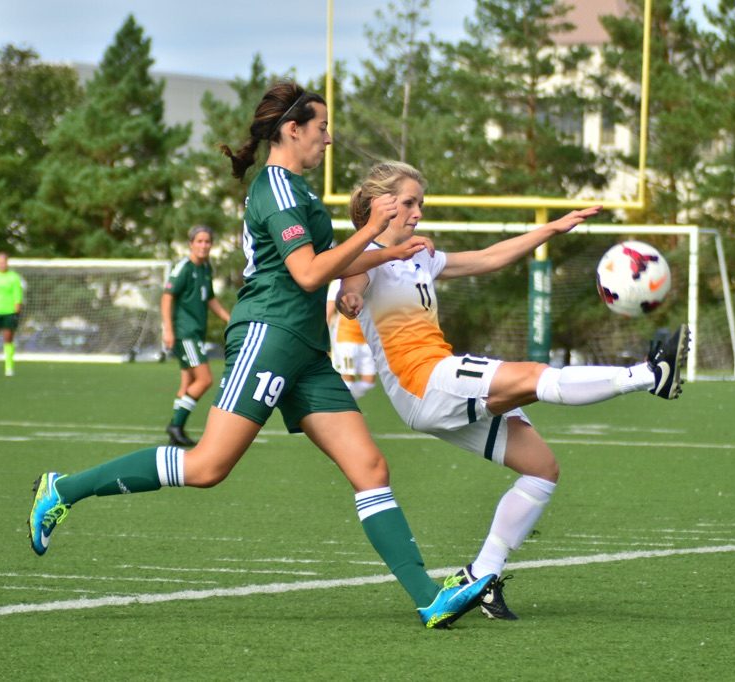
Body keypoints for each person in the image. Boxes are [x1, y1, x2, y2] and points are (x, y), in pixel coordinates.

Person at [27, 82, 494, 629]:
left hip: (306, 349)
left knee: (370, 467)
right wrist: (372, 232)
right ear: (293, 129)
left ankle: (427, 598)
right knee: (207, 466)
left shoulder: (298, 189)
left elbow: (330, 266)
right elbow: (306, 273)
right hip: (268, 335)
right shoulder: (276, 188)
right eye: (321, 128)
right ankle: (63, 489)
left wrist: (386, 252)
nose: (328, 138)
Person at [337, 161, 690, 620]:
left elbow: (487, 258)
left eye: (420, 202)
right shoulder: (366, 258)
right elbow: (351, 284)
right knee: (533, 376)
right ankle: (648, 376)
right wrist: (350, 298)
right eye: (408, 203)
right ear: (379, 204)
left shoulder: (420, 254)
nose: (417, 212)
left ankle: (481, 577)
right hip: (423, 380)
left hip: (436, 383)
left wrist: (551, 230)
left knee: (541, 469)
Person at [162, 226, 232, 447]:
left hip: (195, 334)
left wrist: (229, 318)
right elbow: (167, 297)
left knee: (188, 381)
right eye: (199, 241)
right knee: (205, 380)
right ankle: (175, 424)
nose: (203, 245)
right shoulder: (184, 267)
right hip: (186, 334)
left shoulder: (205, 268)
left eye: (207, 242)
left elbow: (209, 298)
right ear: (190, 243)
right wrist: (169, 330)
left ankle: (176, 430)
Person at [325, 279, 376, 399]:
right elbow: (329, 313)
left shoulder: (370, 278)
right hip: (346, 338)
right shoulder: (337, 283)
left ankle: (342, 401)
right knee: (347, 378)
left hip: (366, 340)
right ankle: (340, 407)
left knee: (369, 381)